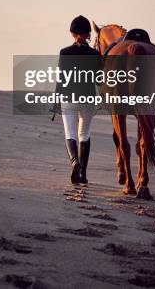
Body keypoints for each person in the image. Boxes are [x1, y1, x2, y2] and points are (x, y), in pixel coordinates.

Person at [55, 15, 101, 184]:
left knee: (70, 134)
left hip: (69, 98)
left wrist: (56, 101)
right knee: (84, 134)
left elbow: (61, 79)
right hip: (87, 99)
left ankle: (74, 161)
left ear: (72, 33)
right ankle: (83, 174)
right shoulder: (95, 54)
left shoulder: (65, 52)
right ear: (88, 34)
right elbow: (99, 79)